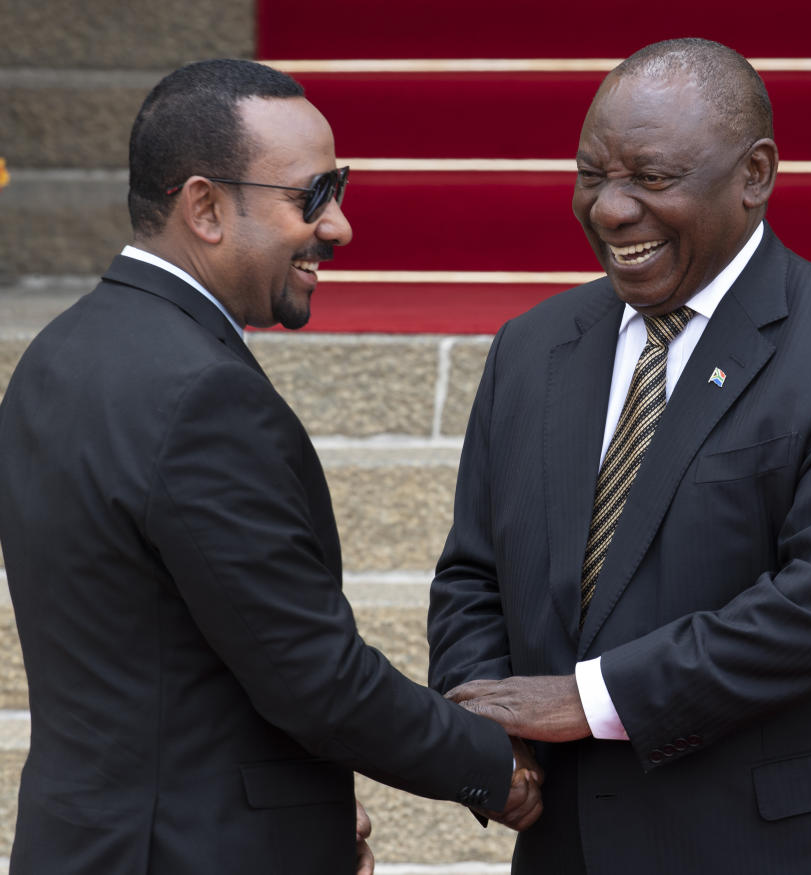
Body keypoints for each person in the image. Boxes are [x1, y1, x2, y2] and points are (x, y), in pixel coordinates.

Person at [0, 58, 542, 875]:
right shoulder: (202, 395)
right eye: (312, 195)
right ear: (206, 207)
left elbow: (162, 648)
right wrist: (495, 770)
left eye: (341, 187)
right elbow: (314, 676)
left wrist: (306, 810)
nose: (340, 225)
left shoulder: (57, 352)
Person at [427, 38, 811, 874]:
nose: (609, 208)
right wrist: (490, 731)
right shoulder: (530, 349)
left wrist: (588, 700)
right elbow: (472, 575)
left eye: (652, 178)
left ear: (755, 175)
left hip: (789, 846)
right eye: (592, 174)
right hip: (576, 845)